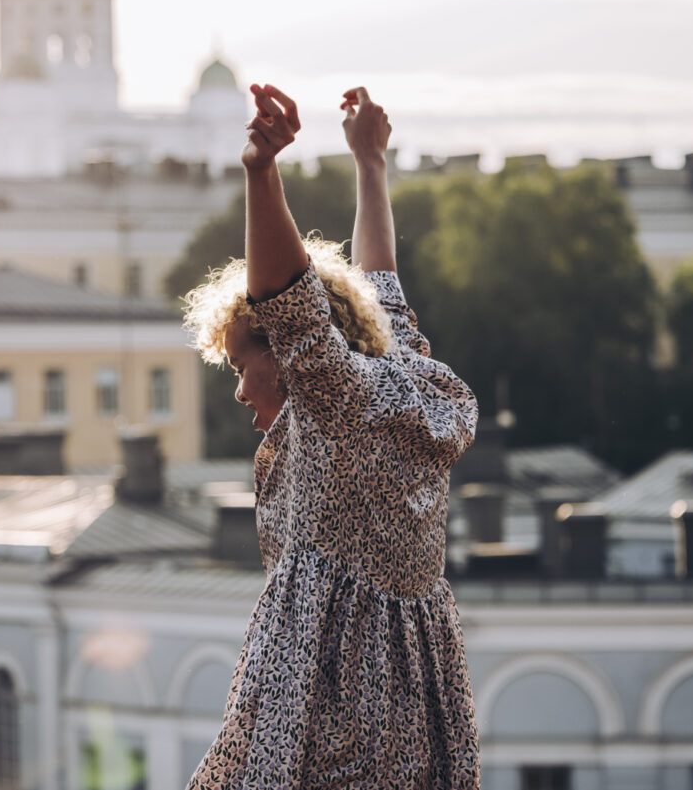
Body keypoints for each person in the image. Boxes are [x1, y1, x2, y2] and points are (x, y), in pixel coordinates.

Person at [182, 85, 481, 789]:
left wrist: (261, 170)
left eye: (240, 363)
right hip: (413, 702)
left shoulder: (336, 405)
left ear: (286, 351)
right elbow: (381, 279)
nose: (239, 389)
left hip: (330, 716)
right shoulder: (397, 372)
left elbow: (288, 298)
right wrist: (370, 161)